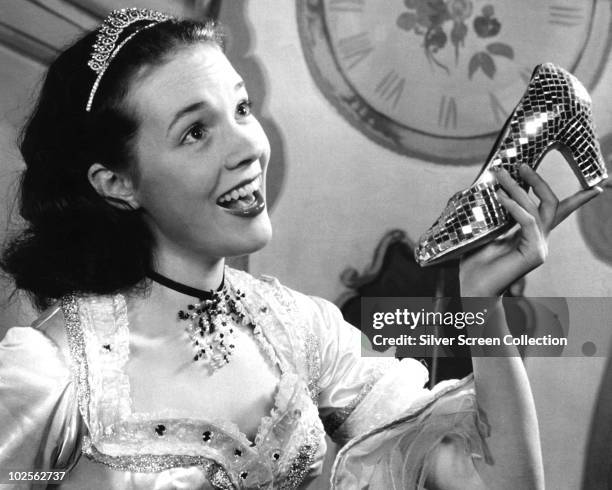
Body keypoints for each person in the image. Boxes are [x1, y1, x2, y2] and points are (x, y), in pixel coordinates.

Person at [0, 8, 603, 490]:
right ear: (117, 183)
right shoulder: (52, 372)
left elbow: (495, 481)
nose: (247, 149)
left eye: (241, 109)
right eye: (195, 132)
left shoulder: (302, 330)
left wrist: (482, 303)